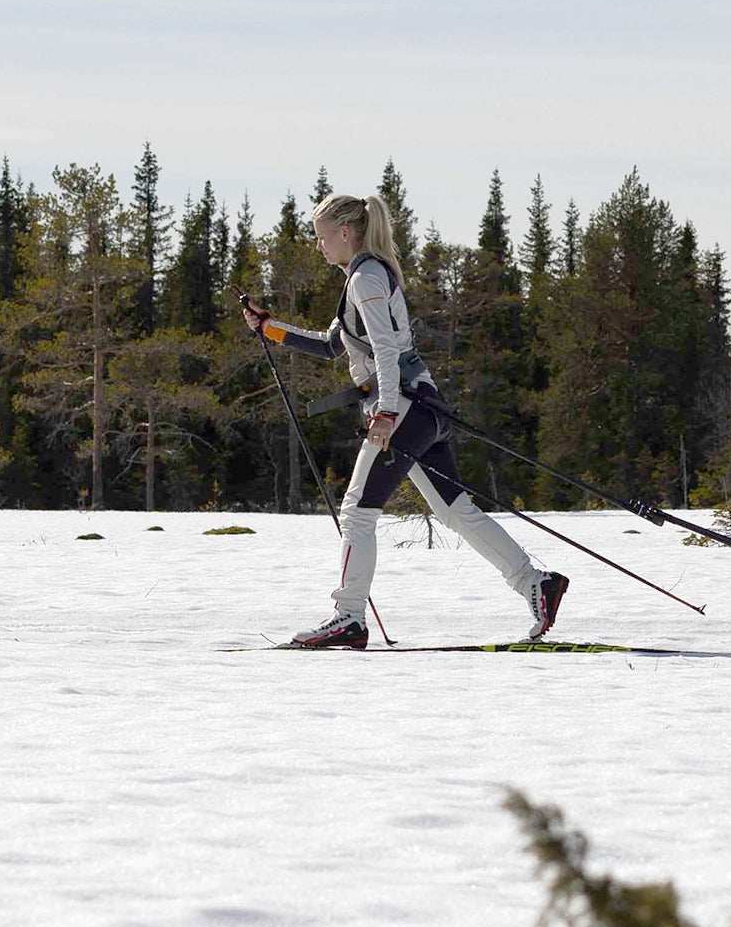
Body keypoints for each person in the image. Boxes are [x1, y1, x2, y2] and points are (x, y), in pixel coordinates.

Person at [240, 190, 569, 652]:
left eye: (321, 236)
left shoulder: (366, 278)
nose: (318, 245)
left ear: (345, 232)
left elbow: (386, 352)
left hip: (405, 409)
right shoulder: (362, 277)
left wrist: (386, 412)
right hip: (423, 407)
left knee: (357, 512)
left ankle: (349, 617)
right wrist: (269, 328)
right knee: (455, 512)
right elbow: (332, 345)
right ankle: (536, 583)